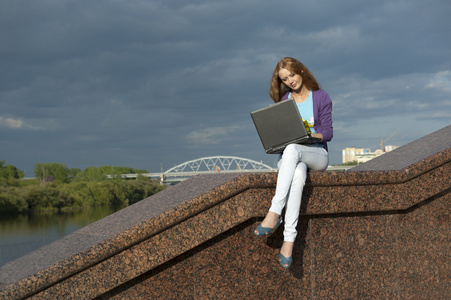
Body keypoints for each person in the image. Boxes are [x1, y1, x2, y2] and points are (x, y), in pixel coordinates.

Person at [254, 57, 333, 268]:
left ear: (301, 71)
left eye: (292, 75)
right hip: (291, 157)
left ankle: (274, 212)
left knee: (293, 148)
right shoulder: (285, 100)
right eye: (285, 79)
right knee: (297, 173)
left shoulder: (320, 96)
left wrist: (309, 135)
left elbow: (327, 133)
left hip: (316, 153)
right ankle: (289, 240)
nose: (290, 81)